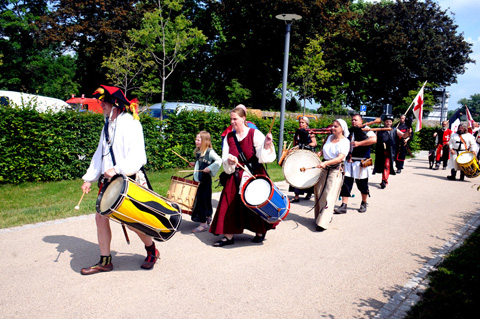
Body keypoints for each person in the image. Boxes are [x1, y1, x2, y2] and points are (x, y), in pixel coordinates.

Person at [80, 85, 159, 275]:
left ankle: (151, 249)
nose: (102, 107)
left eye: (104, 103)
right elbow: (100, 154)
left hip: (128, 178)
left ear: (115, 104)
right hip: (108, 181)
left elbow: (138, 157)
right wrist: (90, 178)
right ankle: (105, 260)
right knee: (100, 217)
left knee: (132, 222)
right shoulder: (107, 125)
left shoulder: (132, 123)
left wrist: (117, 169)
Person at [209, 106, 276, 246]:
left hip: (254, 174)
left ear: (243, 118)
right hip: (235, 174)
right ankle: (228, 236)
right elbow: (225, 157)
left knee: (255, 204)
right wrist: (229, 161)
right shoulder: (229, 137)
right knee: (229, 203)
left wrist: (267, 145)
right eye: (231, 119)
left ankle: (260, 231)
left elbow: (262, 157)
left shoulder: (255, 134)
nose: (232, 122)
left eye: (235, 119)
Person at [335, 114, 376, 214]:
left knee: (362, 184)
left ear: (361, 121)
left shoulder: (367, 129)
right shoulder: (350, 131)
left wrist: (359, 143)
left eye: (356, 120)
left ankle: (364, 202)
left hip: (363, 161)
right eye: (352, 120)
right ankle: (344, 205)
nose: (353, 122)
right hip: (350, 161)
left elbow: (373, 140)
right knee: (346, 183)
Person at [314, 119, 350, 231]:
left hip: (335, 170)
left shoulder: (345, 142)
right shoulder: (329, 138)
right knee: (319, 193)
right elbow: (323, 148)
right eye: (332, 126)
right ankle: (320, 217)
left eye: (335, 127)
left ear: (342, 129)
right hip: (323, 169)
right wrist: (319, 154)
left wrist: (326, 163)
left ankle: (323, 223)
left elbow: (340, 158)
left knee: (330, 195)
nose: (332, 128)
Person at [188, 131, 222, 232]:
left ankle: (203, 224)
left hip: (204, 181)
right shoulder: (199, 152)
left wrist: (210, 168)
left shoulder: (209, 152)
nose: (196, 141)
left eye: (198, 140)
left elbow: (219, 160)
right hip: (198, 180)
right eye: (196, 139)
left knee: (202, 201)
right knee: (203, 200)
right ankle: (207, 217)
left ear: (204, 141)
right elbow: (201, 163)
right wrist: (195, 164)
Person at [373, 115, 410, 189]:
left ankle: (384, 180)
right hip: (380, 151)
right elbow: (373, 137)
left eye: (390, 122)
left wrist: (408, 132)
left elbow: (403, 135)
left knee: (387, 165)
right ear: (384, 122)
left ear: (392, 123)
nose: (388, 123)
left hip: (390, 151)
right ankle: (384, 178)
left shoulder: (395, 130)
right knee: (381, 165)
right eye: (387, 121)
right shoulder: (379, 130)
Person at [290, 116, 317, 202]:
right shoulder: (297, 133)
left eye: (303, 122)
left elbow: (314, 143)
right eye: (300, 122)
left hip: (308, 156)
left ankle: (309, 192)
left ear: (306, 124)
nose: (301, 124)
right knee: (296, 173)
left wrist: (305, 145)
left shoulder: (310, 132)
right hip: (299, 155)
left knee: (308, 174)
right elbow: (295, 144)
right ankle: (296, 195)